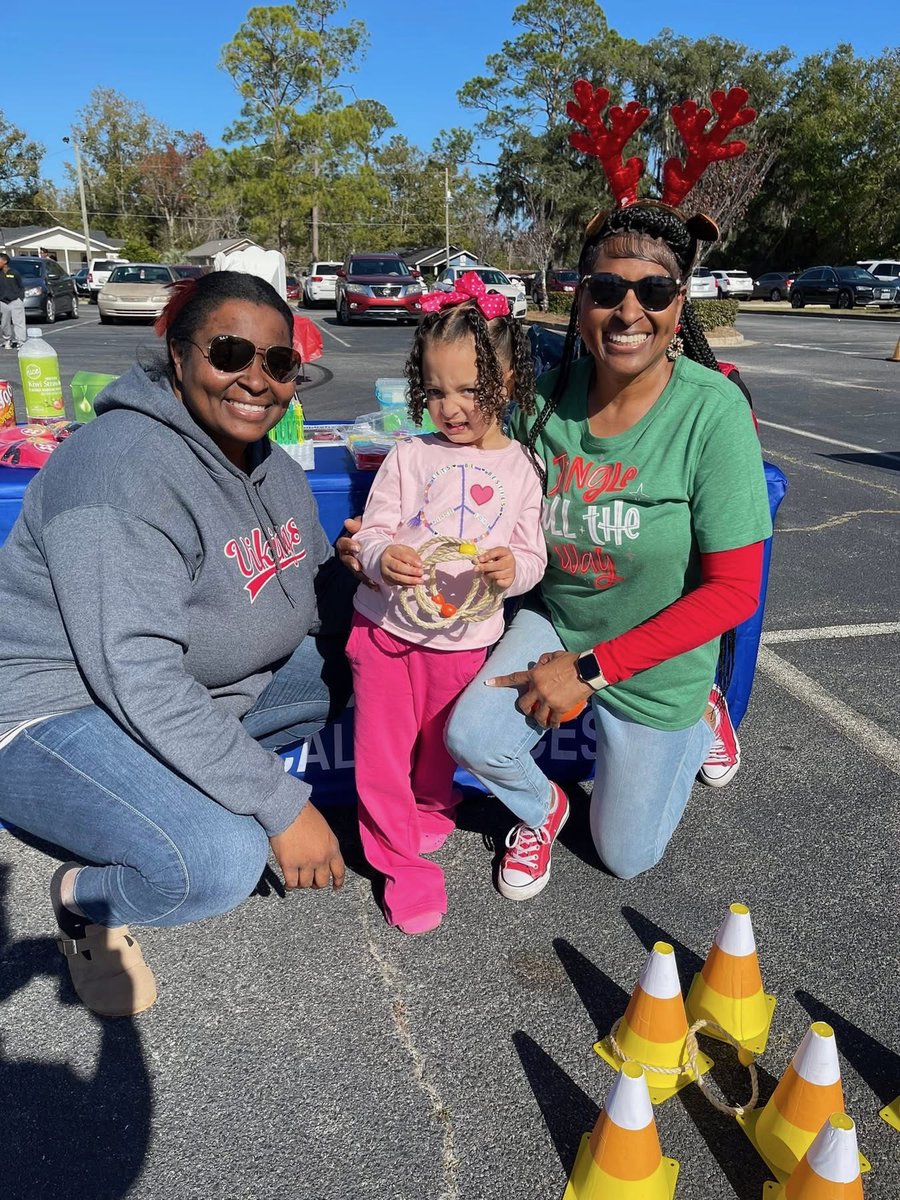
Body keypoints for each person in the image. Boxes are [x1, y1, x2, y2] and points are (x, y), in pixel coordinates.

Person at [435, 86, 773, 898]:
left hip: (658, 657)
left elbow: (736, 591)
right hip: (562, 619)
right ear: (578, 296)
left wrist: (590, 671)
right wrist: (385, 525)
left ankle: (703, 714)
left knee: (626, 856)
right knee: (471, 736)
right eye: (606, 289)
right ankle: (542, 811)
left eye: (653, 292)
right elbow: (455, 417)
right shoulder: (546, 395)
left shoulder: (711, 411)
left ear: (679, 304)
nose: (629, 310)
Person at [0, 270, 353, 1016]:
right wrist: (282, 807)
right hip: (49, 709)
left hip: (192, 684)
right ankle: (84, 899)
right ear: (179, 355)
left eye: (278, 361)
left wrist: (384, 578)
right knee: (217, 861)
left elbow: (316, 589)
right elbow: (140, 677)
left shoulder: (267, 464)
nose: (255, 379)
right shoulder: (122, 473)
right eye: (230, 353)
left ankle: (189, 788)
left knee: (370, 658)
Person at [346, 277, 546, 935]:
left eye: (468, 389)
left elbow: (533, 555)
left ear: (507, 383)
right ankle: (401, 866)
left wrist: (514, 570)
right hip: (385, 634)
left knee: (438, 749)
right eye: (435, 391)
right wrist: (380, 557)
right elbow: (372, 531)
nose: (450, 408)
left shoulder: (523, 469)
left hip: (465, 642)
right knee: (381, 756)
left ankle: (431, 808)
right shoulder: (410, 456)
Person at [0, 252, 26, 349]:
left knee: (18, 322)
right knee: (4, 323)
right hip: (2, 302)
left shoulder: (14, 273)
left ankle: (21, 342)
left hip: (15, 300)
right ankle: (7, 339)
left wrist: (20, 299)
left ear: (4, 261)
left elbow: (21, 287)